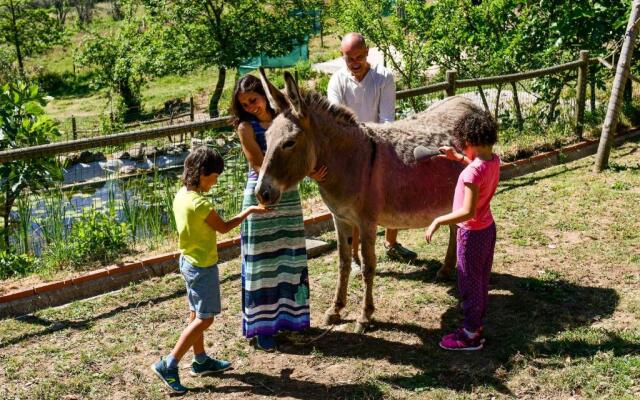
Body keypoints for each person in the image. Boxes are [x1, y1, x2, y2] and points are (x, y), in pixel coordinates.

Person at [151, 146, 268, 394]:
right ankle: (169, 364)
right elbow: (224, 227)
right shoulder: (200, 203)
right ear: (203, 173)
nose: (215, 183)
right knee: (206, 318)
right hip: (202, 267)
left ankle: (201, 360)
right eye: (214, 177)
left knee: (196, 314)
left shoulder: (182, 194)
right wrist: (248, 211)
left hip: (188, 262)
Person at [231, 74, 327, 352]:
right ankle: (263, 328)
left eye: (254, 100)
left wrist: (308, 168)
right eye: (245, 104)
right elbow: (257, 161)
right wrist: (304, 170)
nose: (251, 106)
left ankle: (291, 320)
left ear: (264, 95)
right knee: (263, 263)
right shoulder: (245, 127)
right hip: (262, 193)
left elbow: (302, 147)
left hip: (288, 193)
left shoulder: (284, 117)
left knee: (289, 259)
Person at [327, 32, 417, 269]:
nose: (355, 62)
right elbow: (336, 119)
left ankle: (391, 244)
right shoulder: (336, 81)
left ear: (367, 52)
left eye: (359, 56)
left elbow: (387, 119)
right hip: (348, 151)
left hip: (380, 143)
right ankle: (354, 255)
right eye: (350, 58)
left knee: (391, 193)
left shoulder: (384, 77)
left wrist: (373, 146)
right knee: (356, 203)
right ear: (342, 56)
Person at [422, 114, 500, 351]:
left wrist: (438, 220)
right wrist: (456, 157)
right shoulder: (494, 160)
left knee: (468, 283)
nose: (461, 148)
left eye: (463, 144)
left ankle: (470, 336)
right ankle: (475, 325)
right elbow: (479, 168)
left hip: (471, 234)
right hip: (487, 229)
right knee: (481, 279)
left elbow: (467, 212)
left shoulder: (471, 173)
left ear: (471, 141)